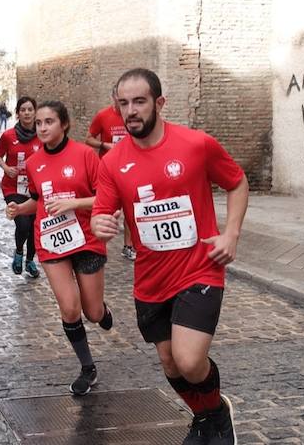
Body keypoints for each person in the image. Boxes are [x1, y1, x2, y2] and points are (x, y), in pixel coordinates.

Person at [91, 68, 248, 445]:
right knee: (169, 362)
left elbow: (237, 181)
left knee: (190, 360)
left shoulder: (196, 145)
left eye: (139, 101)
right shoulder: (112, 162)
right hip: (150, 278)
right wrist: (100, 225)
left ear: (159, 103)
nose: (131, 111)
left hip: (200, 270)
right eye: (123, 103)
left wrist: (231, 234)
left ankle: (217, 416)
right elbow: (101, 210)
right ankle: (206, 416)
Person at [6, 100, 113, 396]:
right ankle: (87, 367)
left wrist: (74, 203)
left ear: (64, 124)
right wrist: (20, 208)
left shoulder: (85, 155)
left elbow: (106, 196)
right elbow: (39, 200)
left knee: (91, 312)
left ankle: (101, 311)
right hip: (52, 240)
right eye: (38, 123)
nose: (42, 127)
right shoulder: (34, 162)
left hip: (87, 239)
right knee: (69, 308)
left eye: (49, 122)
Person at [85, 87, 136, 261]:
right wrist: (104, 145)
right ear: (113, 96)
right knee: (106, 211)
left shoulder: (131, 115)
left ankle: (128, 246)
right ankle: (99, 247)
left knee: (131, 209)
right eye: (119, 98)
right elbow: (89, 138)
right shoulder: (103, 115)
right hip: (108, 171)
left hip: (130, 168)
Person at [0, 96, 41, 278]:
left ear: (35, 111)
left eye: (30, 109)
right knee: (22, 223)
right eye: (23, 110)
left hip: (35, 188)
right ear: (18, 113)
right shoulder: (8, 136)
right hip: (12, 187)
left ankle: (30, 261)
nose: (27, 113)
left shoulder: (42, 134)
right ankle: (19, 252)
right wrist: (6, 167)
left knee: (34, 226)